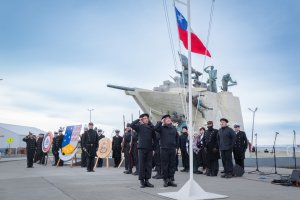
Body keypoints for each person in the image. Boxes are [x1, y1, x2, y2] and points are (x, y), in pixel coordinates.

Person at [131, 113, 156, 188]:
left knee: (149, 165)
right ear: (142, 119)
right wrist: (138, 119)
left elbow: (154, 138)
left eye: (147, 118)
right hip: (141, 148)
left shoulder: (151, 127)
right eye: (144, 118)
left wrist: (154, 148)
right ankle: (142, 181)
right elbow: (132, 125)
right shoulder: (139, 127)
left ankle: (147, 180)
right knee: (142, 164)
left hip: (149, 148)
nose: (146, 119)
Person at [154, 114, 178, 187]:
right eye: (166, 119)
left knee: (172, 165)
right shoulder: (161, 128)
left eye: (169, 118)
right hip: (164, 149)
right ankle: (165, 180)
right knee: (165, 165)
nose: (168, 119)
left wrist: (176, 147)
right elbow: (155, 128)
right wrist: (160, 122)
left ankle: (171, 180)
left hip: (172, 149)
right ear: (164, 121)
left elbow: (177, 138)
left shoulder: (174, 128)